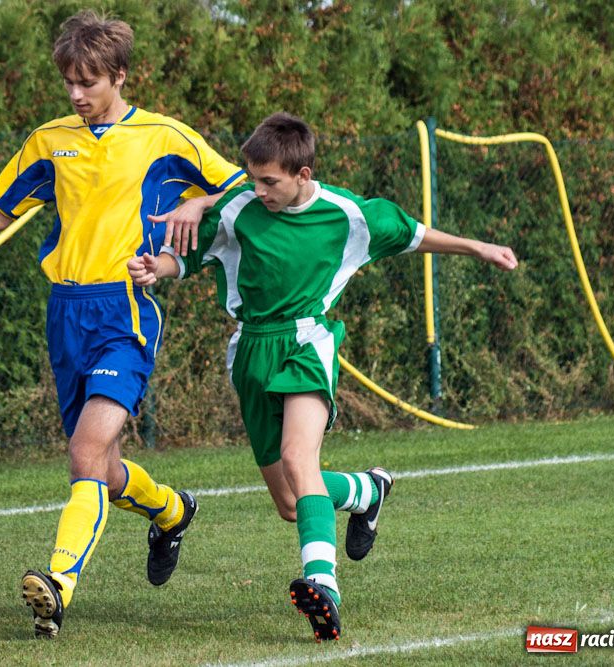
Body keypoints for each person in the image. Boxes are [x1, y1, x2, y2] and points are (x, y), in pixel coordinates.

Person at [0, 10, 246, 640]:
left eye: (88, 82)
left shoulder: (164, 136)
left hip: (124, 310)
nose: (76, 94)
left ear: (120, 76)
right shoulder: (51, 140)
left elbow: (243, 191)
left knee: (84, 452)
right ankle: (171, 510)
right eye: (69, 83)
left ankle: (58, 586)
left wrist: (197, 200)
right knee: (101, 469)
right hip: (65, 313)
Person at [128, 112, 518, 641]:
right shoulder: (236, 209)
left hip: (309, 340)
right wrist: (160, 269)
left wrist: (477, 247)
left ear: (303, 175)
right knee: (291, 503)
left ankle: (323, 588)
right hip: (251, 350)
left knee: (298, 457)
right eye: (252, 176)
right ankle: (366, 491)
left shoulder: (348, 213)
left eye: (270, 181)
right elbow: (188, 258)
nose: (258, 188)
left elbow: (416, 234)